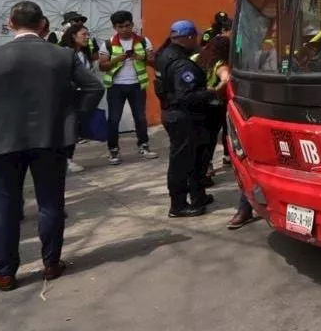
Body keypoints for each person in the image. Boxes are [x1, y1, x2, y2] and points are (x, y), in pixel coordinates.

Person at [0, 1, 104, 292]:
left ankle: (5, 272)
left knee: (6, 208)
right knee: (51, 204)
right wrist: (73, 119)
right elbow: (94, 88)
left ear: (11, 23)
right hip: (52, 139)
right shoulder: (63, 56)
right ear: (43, 25)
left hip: (4, 140)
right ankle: (51, 264)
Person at [154, 20, 219, 218]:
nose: (197, 40)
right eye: (195, 37)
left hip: (173, 113)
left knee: (194, 158)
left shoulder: (164, 54)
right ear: (188, 37)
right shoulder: (181, 63)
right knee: (181, 162)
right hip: (182, 117)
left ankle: (197, 195)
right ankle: (178, 205)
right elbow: (187, 96)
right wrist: (211, 92)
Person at [98, 11, 156, 165]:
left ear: (132, 24)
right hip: (116, 87)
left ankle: (144, 146)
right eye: (120, 27)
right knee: (114, 120)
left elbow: (153, 61)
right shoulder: (108, 43)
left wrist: (141, 57)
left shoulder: (143, 41)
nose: (124, 29)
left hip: (137, 85)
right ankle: (113, 150)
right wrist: (117, 59)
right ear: (114, 27)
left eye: (127, 25)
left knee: (140, 118)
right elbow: (102, 66)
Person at [192, 34, 231, 182]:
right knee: (210, 139)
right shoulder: (220, 63)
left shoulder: (195, 57)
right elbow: (226, 78)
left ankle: (200, 168)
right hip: (213, 106)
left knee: (199, 138)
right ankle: (206, 169)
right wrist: (215, 91)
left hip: (196, 103)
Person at [61, 22, 100, 171]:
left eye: (88, 34)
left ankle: (68, 158)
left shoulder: (84, 53)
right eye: (84, 34)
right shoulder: (65, 53)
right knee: (69, 128)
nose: (87, 38)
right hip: (70, 95)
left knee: (75, 128)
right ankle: (65, 159)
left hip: (82, 95)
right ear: (73, 36)